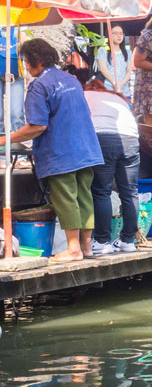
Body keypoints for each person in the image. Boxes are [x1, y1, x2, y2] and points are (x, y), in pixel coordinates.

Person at [6, 39, 103, 263]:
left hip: (61, 152)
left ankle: (73, 249)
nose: (26, 67)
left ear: (37, 61)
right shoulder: (71, 79)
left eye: (27, 62)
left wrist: (6, 139)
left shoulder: (39, 86)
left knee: (66, 198)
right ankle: (86, 246)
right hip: (86, 148)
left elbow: (37, 126)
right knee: (84, 196)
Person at [81, 72, 140, 255]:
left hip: (104, 138)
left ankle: (102, 241)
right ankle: (128, 241)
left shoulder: (84, 95)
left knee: (101, 192)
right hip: (131, 139)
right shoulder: (116, 97)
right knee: (130, 192)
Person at [94, 24, 133, 101]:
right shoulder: (103, 50)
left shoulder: (127, 52)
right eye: (115, 33)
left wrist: (120, 85)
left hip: (124, 90)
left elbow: (129, 71)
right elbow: (103, 69)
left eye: (121, 33)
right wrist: (114, 83)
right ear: (109, 35)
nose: (119, 36)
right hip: (108, 88)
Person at [0, 23, 23, 132]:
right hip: (12, 69)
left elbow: (25, 44)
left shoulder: (19, 22)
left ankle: (19, 140)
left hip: (16, 73)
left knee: (16, 113)